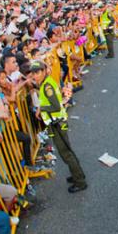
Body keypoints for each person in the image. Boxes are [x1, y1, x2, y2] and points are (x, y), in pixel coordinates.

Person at [29, 60, 86, 193]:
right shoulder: (45, 83)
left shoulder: (47, 86)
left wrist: (41, 108)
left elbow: (54, 105)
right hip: (56, 122)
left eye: (37, 72)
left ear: (44, 71)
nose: (35, 75)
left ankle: (80, 181)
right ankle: (78, 174)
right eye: (33, 73)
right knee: (67, 150)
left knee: (66, 153)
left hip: (57, 123)